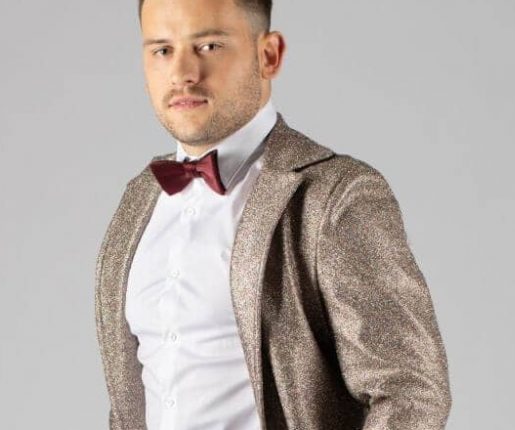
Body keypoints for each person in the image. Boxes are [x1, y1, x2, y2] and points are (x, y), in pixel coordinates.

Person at [94, 0, 451, 428]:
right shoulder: (140, 199)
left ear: (269, 55)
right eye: (162, 50)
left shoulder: (334, 197)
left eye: (208, 46)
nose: (182, 73)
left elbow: (411, 393)